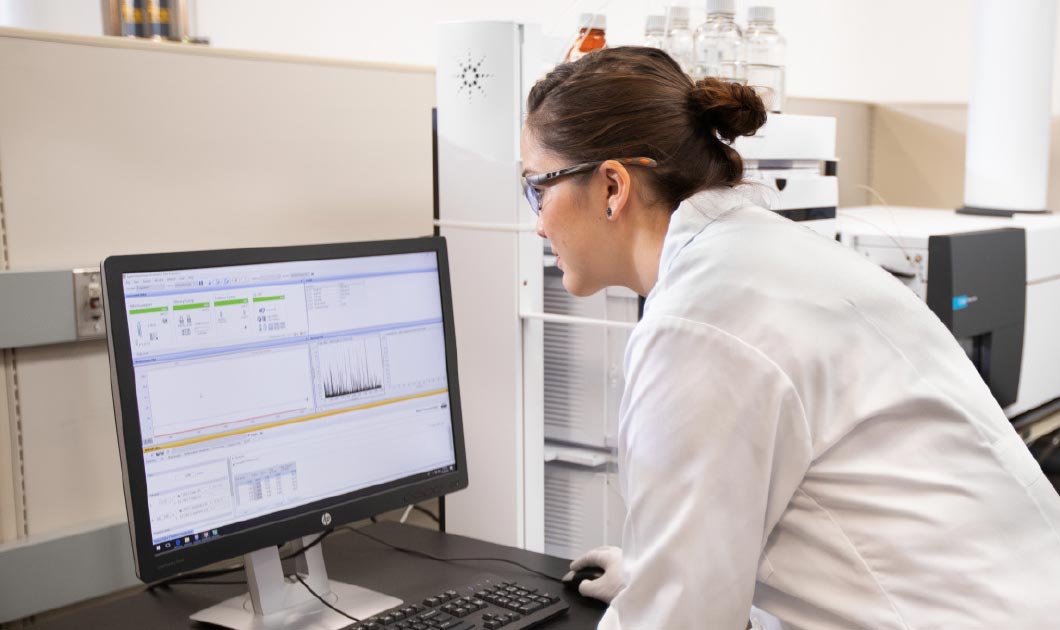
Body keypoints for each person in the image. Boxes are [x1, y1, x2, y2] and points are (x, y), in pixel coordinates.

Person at [520, 46, 1060, 629]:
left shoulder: (698, 324)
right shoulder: (764, 252)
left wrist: (664, 590)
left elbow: (680, 622)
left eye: (537, 188)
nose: (539, 222)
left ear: (611, 188)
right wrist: (658, 570)